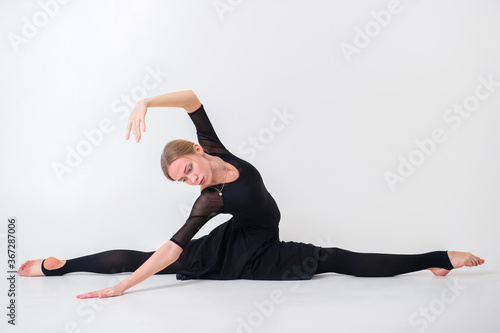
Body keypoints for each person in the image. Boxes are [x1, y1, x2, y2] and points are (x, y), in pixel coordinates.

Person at [17, 90, 485, 299]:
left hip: (248, 238)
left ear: (198, 151)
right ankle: (437, 255)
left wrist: (146, 102)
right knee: (337, 258)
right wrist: (121, 288)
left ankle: (435, 258)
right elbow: (171, 245)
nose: (191, 180)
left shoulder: (216, 148)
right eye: (182, 181)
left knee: (337, 257)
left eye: (188, 170)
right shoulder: (211, 199)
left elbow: (192, 98)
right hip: (254, 252)